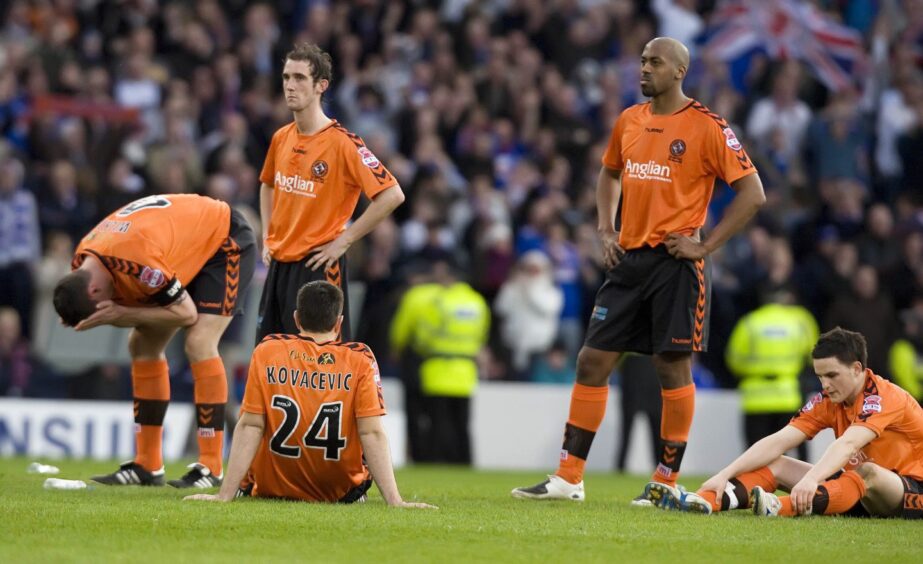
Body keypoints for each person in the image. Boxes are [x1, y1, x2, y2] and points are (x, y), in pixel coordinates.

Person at [512, 36, 765, 503]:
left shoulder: (709, 126)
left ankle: (664, 483)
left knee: (671, 368)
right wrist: (605, 230)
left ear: (679, 71)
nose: (644, 69)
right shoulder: (629, 120)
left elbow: (753, 193)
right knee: (592, 359)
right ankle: (568, 477)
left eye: (655, 62)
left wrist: (705, 245)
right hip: (627, 260)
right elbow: (609, 173)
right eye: (643, 61)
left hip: (675, 264)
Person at [53, 194, 256, 488]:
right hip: (179, 249)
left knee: (199, 341)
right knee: (140, 345)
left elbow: (185, 314)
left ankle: (212, 467)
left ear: (95, 291)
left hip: (224, 242)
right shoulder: (83, 259)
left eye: (101, 307)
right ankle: (148, 465)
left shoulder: (135, 262)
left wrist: (120, 312)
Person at [183, 281, 435, 508]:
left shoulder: (268, 350)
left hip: (271, 487)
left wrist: (224, 494)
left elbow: (250, 425)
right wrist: (395, 501)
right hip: (340, 491)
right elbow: (372, 432)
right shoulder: (360, 358)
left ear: (296, 319)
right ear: (338, 323)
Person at [647, 328, 923, 520]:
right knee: (777, 463)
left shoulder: (884, 397)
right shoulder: (829, 399)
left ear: (857, 369)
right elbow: (779, 440)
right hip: (862, 494)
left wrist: (812, 479)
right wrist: (724, 474)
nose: (825, 384)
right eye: (819, 376)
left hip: (912, 491)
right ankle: (705, 500)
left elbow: (849, 444)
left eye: (831, 375)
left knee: (867, 472)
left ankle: (779, 507)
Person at [256, 43, 405, 342]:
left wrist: (344, 241)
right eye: (286, 77)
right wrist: (267, 236)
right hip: (279, 265)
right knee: (271, 358)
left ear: (321, 85)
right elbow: (267, 184)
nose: (290, 86)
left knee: (320, 362)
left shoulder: (343, 144)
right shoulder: (281, 137)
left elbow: (393, 194)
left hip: (318, 265)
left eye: (299, 78)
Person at [390, 257, 490, 464]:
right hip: (466, 367)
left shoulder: (431, 299)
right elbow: (482, 333)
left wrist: (401, 348)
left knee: (433, 420)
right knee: (462, 422)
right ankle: (463, 461)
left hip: (433, 365)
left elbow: (416, 332)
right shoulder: (476, 301)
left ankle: (427, 458)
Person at [725, 285, 818, 460]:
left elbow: (734, 359)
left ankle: (756, 484)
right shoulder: (797, 322)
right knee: (792, 450)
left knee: (754, 452)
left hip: (755, 397)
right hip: (786, 394)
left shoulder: (749, 323)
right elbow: (810, 354)